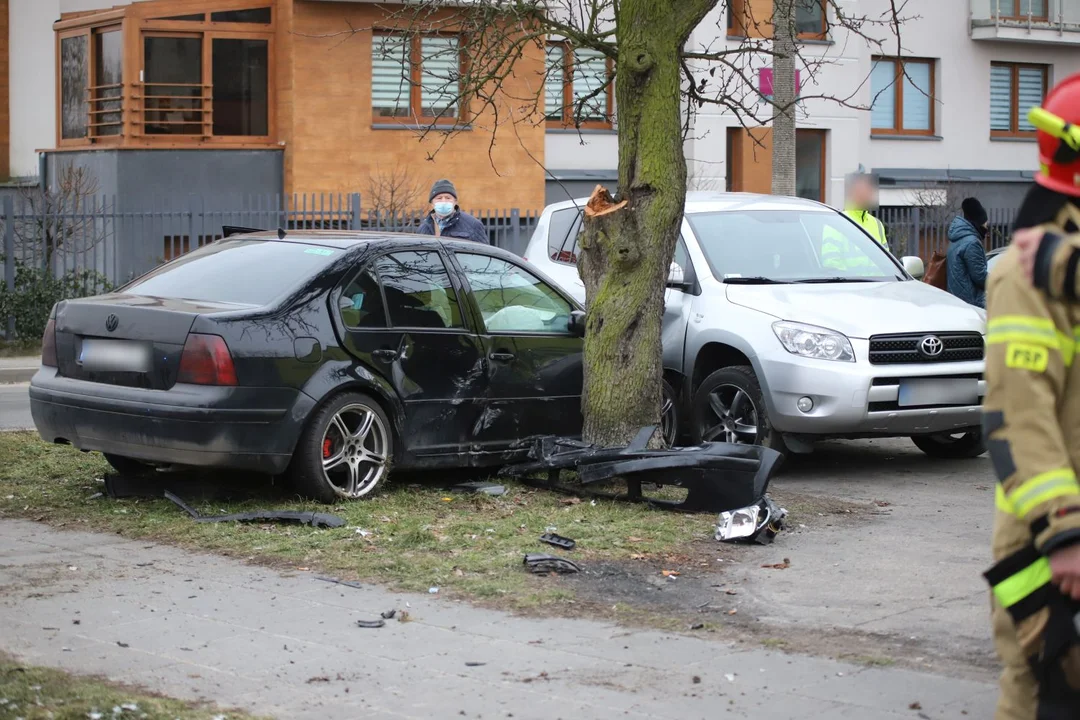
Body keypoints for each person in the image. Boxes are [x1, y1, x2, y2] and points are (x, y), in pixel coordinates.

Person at [981, 72, 1080, 720]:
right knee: (1048, 693)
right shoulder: (1024, 276)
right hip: (1050, 544)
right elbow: (1016, 417)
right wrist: (1063, 532)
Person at [945, 197, 989, 308]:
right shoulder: (972, 243)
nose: (987, 226)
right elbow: (980, 276)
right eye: (985, 222)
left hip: (957, 300)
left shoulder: (957, 239)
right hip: (972, 303)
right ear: (979, 222)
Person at [418, 179, 489, 244]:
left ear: (455, 201)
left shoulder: (473, 225)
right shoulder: (424, 228)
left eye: (448, 198)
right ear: (432, 203)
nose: (444, 201)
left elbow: (485, 253)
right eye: (439, 198)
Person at [843, 173, 888, 248]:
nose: (865, 194)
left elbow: (885, 256)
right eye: (860, 190)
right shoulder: (840, 220)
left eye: (868, 190)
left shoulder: (877, 225)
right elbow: (831, 258)